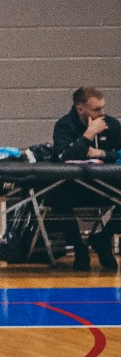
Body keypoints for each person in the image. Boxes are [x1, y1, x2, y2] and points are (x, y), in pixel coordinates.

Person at [49, 87, 119, 271]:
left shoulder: (111, 125)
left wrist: (102, 153)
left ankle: (103, 238)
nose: (102, 113)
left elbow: (119, 153)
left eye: (103, 108)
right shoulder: (64, 126)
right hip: (73, 188)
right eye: (96, 109)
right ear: (80, 109)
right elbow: (64, 155)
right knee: (56, 196)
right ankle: (79, 248)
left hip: (106, 187)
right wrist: (89, 134)